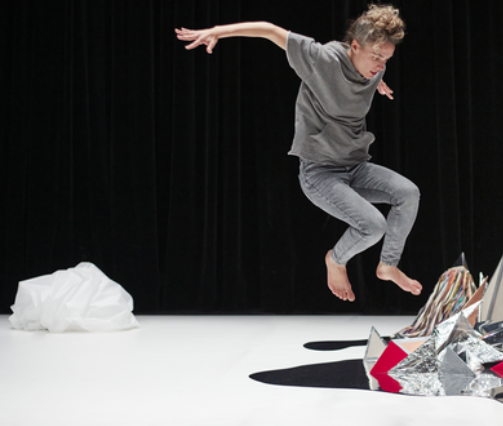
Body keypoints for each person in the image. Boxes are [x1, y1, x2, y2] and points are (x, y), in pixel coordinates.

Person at [175, 5, 422, 302]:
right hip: (320, 174)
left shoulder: (369, 68)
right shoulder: (321, 60)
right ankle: (336, 260)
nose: (381, 65)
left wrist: (375, 78)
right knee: (372, 225)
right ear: (354, 46)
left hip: (355, 166)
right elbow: (269, 30)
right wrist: (218, 32)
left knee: (408, 193)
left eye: (387, 59)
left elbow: (364, 74)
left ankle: (387, 265)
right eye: (376, 57)